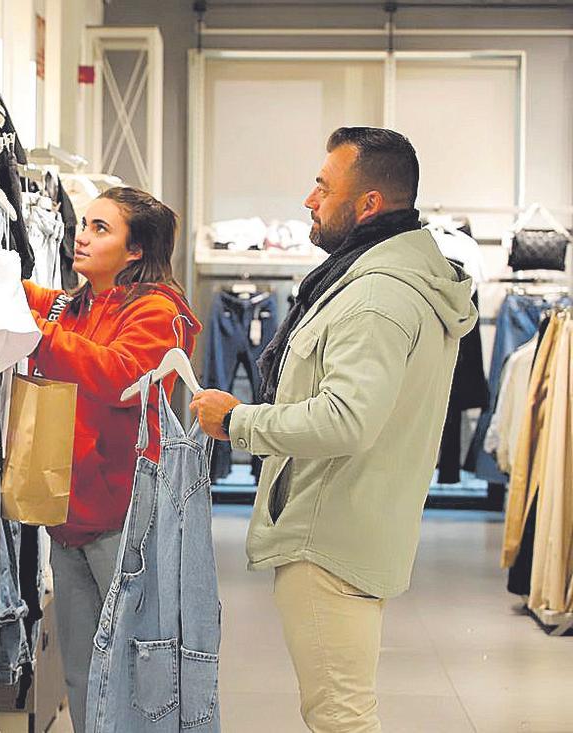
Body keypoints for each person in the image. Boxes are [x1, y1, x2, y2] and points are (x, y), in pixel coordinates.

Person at [190, 128, 477, 732]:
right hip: (354, 520)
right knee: (342, 708)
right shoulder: (382, 280)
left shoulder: (374, 297)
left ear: (368, 203)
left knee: (340, 716)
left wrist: (237, 421)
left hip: (329, 536)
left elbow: (346, 418)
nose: (308, 199)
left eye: (323, 185)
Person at [22, 186, 201, 733]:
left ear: (135, 252)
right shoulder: (74, 306)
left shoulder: (158, 311)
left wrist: (40, 337)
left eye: (102, 228)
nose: (81, 234)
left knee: (132, 667)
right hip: (69, 513)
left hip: (126, 519)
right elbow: (20, 292)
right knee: (80, 669)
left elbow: (122, 374)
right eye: (85, 223)